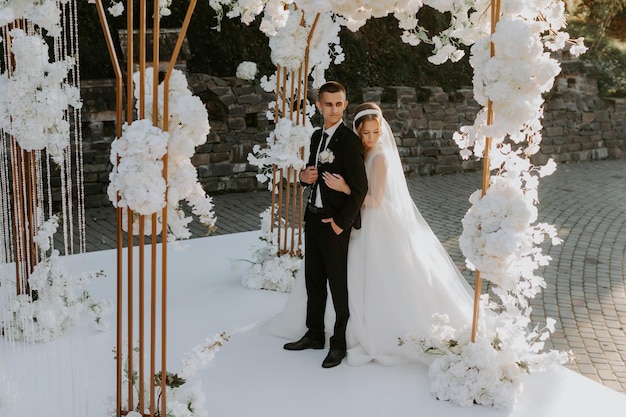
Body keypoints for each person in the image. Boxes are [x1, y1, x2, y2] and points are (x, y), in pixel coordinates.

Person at [263, 102, 476, 366]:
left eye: (376, 132)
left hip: (377, 221)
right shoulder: (354, 151)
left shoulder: (380, 158)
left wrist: (344, 190)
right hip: (353, 220)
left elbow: (374, 200)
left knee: (374, 275)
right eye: (366, 133)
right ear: (357, 131)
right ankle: (320, 329)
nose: (371, 138)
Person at [280, 81, 368, 369]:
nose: (334, 109)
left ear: (344, 104)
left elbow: (360, 189)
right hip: (313, 218)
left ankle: (338, 344)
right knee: (313, 281)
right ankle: (314, 334)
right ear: (319, 106)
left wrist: (341, 225)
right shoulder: (317, 136)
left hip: (334, 224)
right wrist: (304, 177)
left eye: (339, 103)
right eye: (328, 104)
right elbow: (311, 174)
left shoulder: (351, 140)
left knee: (338, 286)